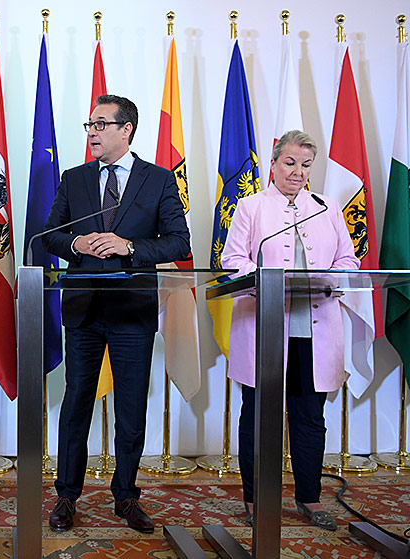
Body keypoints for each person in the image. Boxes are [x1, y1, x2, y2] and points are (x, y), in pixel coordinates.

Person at [42, 94, 190, 533]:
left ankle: (126, 495)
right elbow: (50, 235)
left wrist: (130, 248)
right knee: (75, 405)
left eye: (101, 124)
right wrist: (76, 244)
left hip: (132, 311)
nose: (91, 132)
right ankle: (66, 496)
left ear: (126, 129)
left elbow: (178, 242)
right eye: (89, 124)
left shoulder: (159, 180)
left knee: (130, 407)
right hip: (85, 309)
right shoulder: (75, 178)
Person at [221, 130, 360, 531]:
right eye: (290, 163)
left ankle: (310, 498)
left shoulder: (328, 208)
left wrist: (333, 276)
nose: (297, 172)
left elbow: (348, 260)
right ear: (274, 163)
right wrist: (265, 278)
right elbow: (233, 260)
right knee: (258, 417)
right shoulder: (250, 207)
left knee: (309, 417)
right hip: (264, 327)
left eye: (305, 165)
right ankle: (254, 498)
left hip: (314, 331)